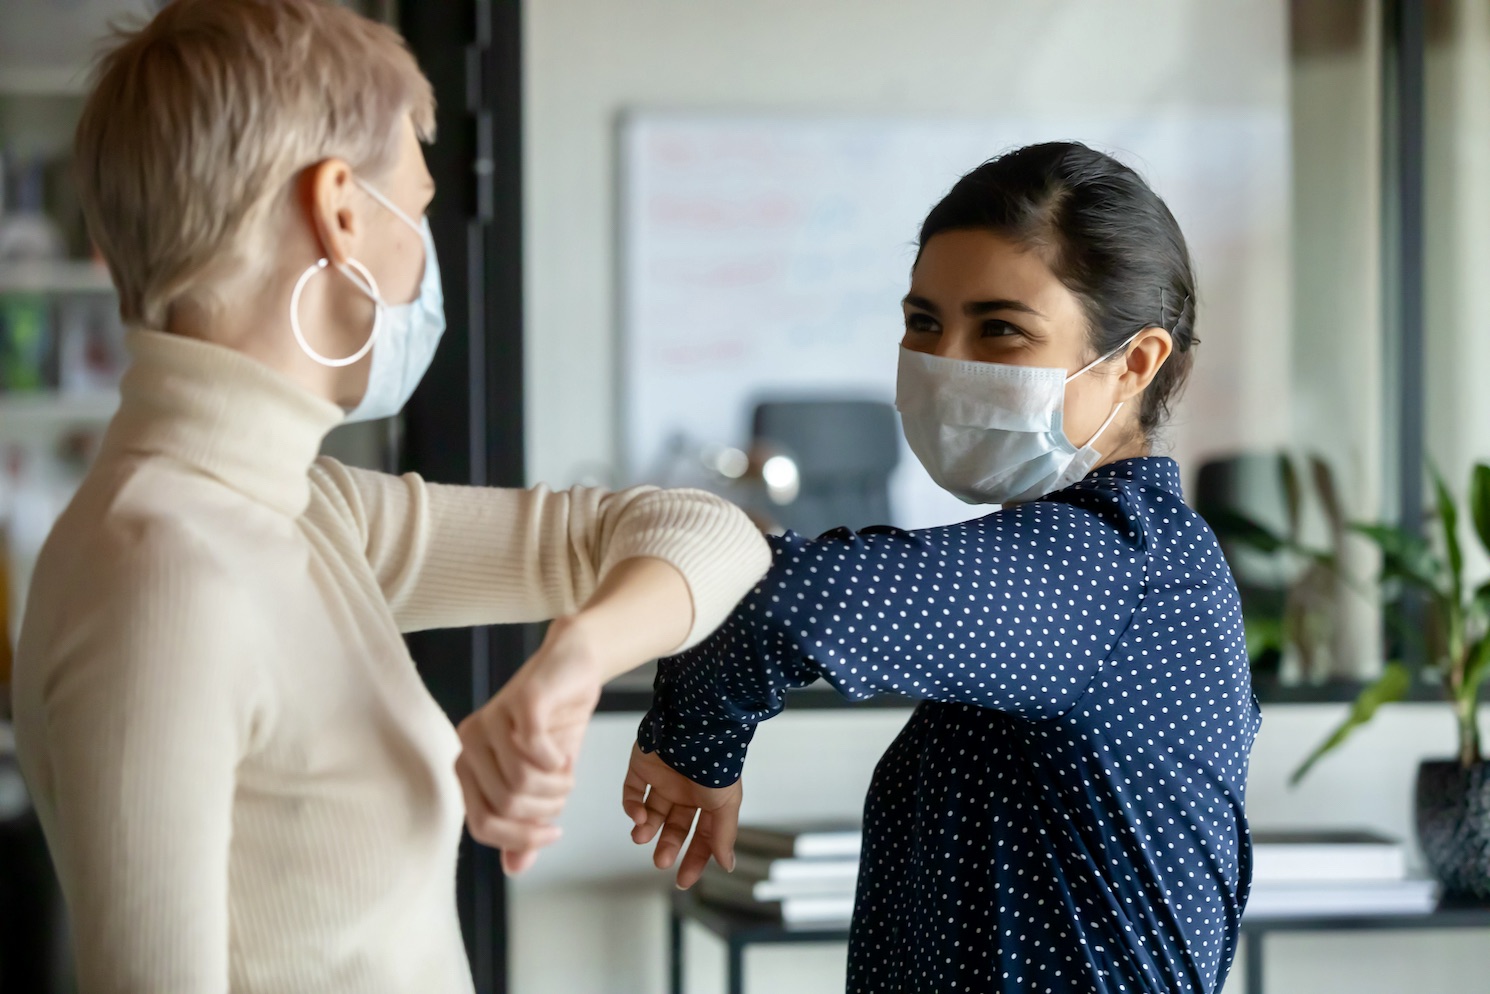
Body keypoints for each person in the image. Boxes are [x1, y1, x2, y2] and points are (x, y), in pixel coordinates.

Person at [10, 2, 770, 991]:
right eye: (413, 206)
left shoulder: (303, 509)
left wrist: (571, 660)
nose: (422, 251)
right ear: (338, 210)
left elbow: (713, 533)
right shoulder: (160, 569)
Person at [499, 142, 1259, 993]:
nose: (947, 361)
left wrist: (693, 741)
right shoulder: (1110, 560)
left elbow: (780, 599)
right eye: (925, 322)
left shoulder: (1111, 561)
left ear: (1135, 362)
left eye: (1001, 328)